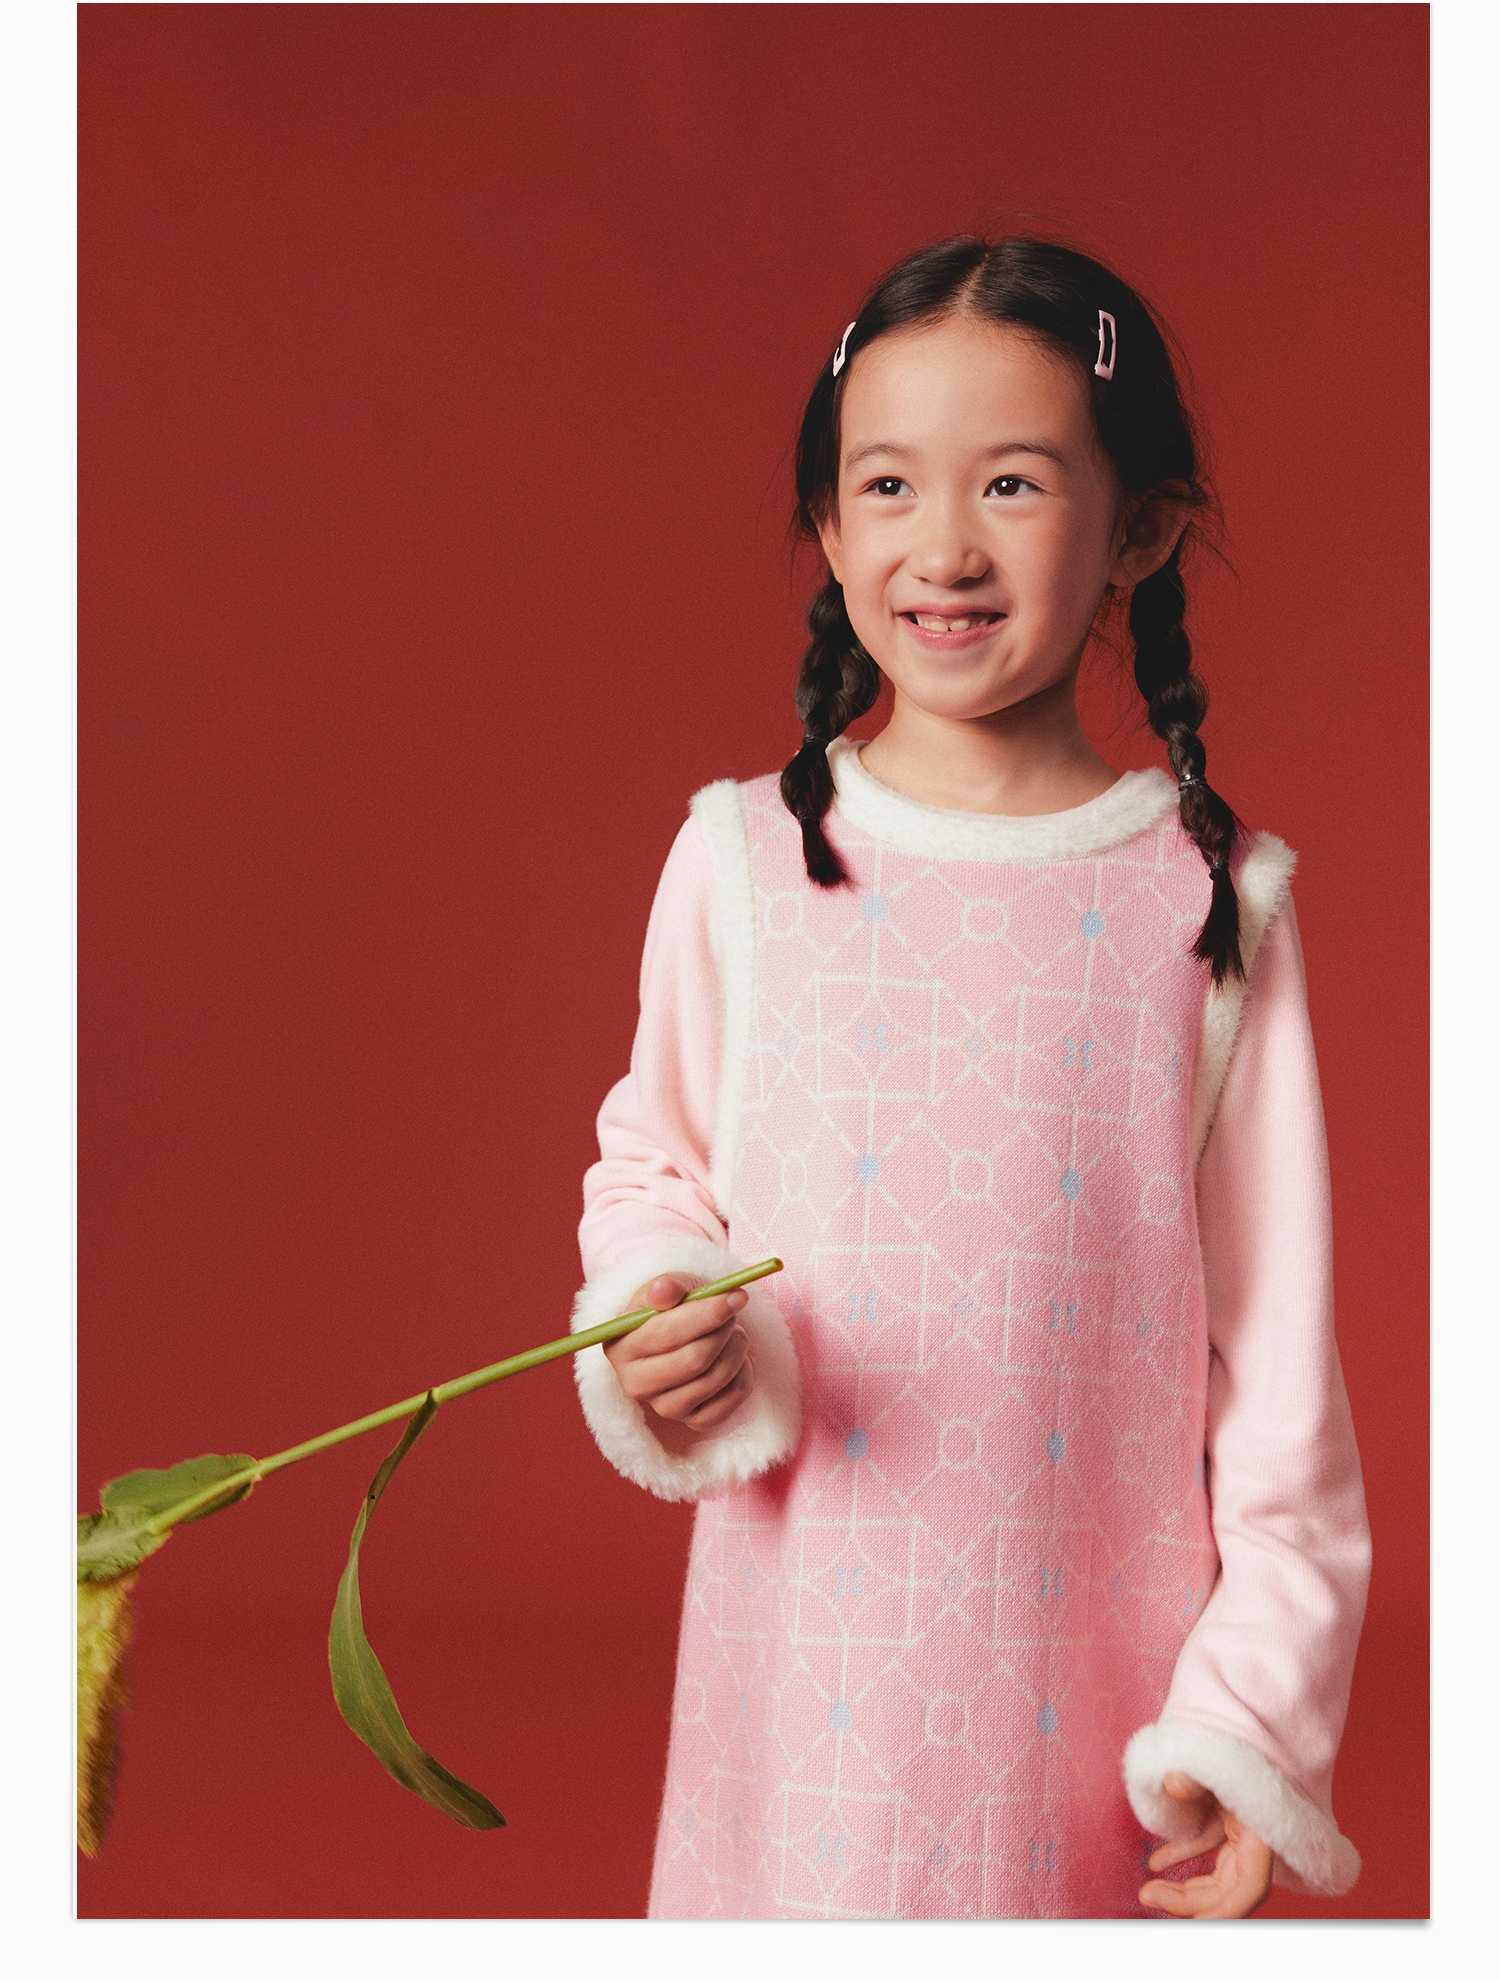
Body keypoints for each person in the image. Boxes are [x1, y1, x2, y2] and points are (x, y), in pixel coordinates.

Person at [567, 232, 1372, 1922]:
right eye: (887, 484)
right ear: (828, 521)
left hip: (1085, 1729)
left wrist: (1242, 1727)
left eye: (1011, 482)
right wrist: (655, 1309)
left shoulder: (1211, 903)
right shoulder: (743, 862)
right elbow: (656, 1169)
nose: (942, 546)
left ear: (1141, 525)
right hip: (798, 1701)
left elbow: (1283, 1384)